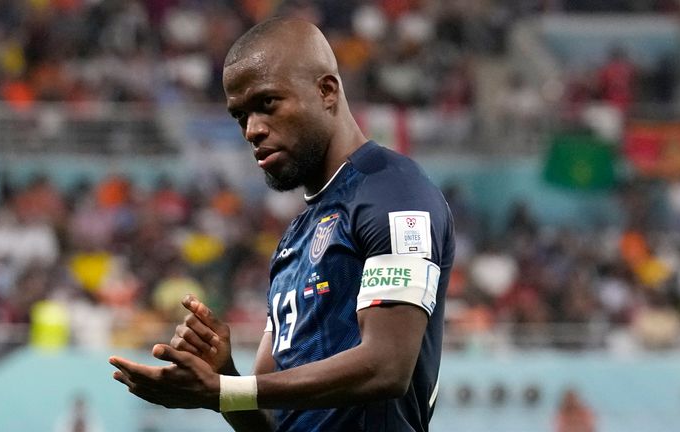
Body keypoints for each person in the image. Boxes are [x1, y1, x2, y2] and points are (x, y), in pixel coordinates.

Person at [109, 17, 455, 431]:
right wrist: (227, 374)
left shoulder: (393, 194)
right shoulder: (294, 240)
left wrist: (224, 390)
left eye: (267, 104)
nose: (252, 130)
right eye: (240, 116)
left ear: (326, 91)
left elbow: (387, 366)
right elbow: (270, 422)